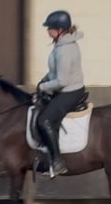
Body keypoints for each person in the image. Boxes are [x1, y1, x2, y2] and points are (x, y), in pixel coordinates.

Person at [36, 10, 86, 177]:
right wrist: (43, 81)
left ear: (59, 29)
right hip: (65, 88)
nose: (47, 31)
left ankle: (58, 162)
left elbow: (62, 81)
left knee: (44, 120)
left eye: (50, 28)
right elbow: (54, 72)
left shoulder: (65, 50)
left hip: (69, 91)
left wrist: (44, 88)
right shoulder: (60, 44)